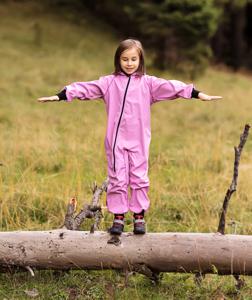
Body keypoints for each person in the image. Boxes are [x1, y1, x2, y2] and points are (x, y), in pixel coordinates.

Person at [38, 39, 222, 235]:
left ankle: (139, 218)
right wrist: (61, 95)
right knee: (117, 179)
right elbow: (84, 88)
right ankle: (118, 218)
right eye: (125, 59)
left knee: (139, 178)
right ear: (118, 60)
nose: (129, 63)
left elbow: (172, 87)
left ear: (140, 59)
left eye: (133, 59)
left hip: (139, 141)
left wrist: (196, 93)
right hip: (115, 142)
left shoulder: (148, 84)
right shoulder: (108, 83)